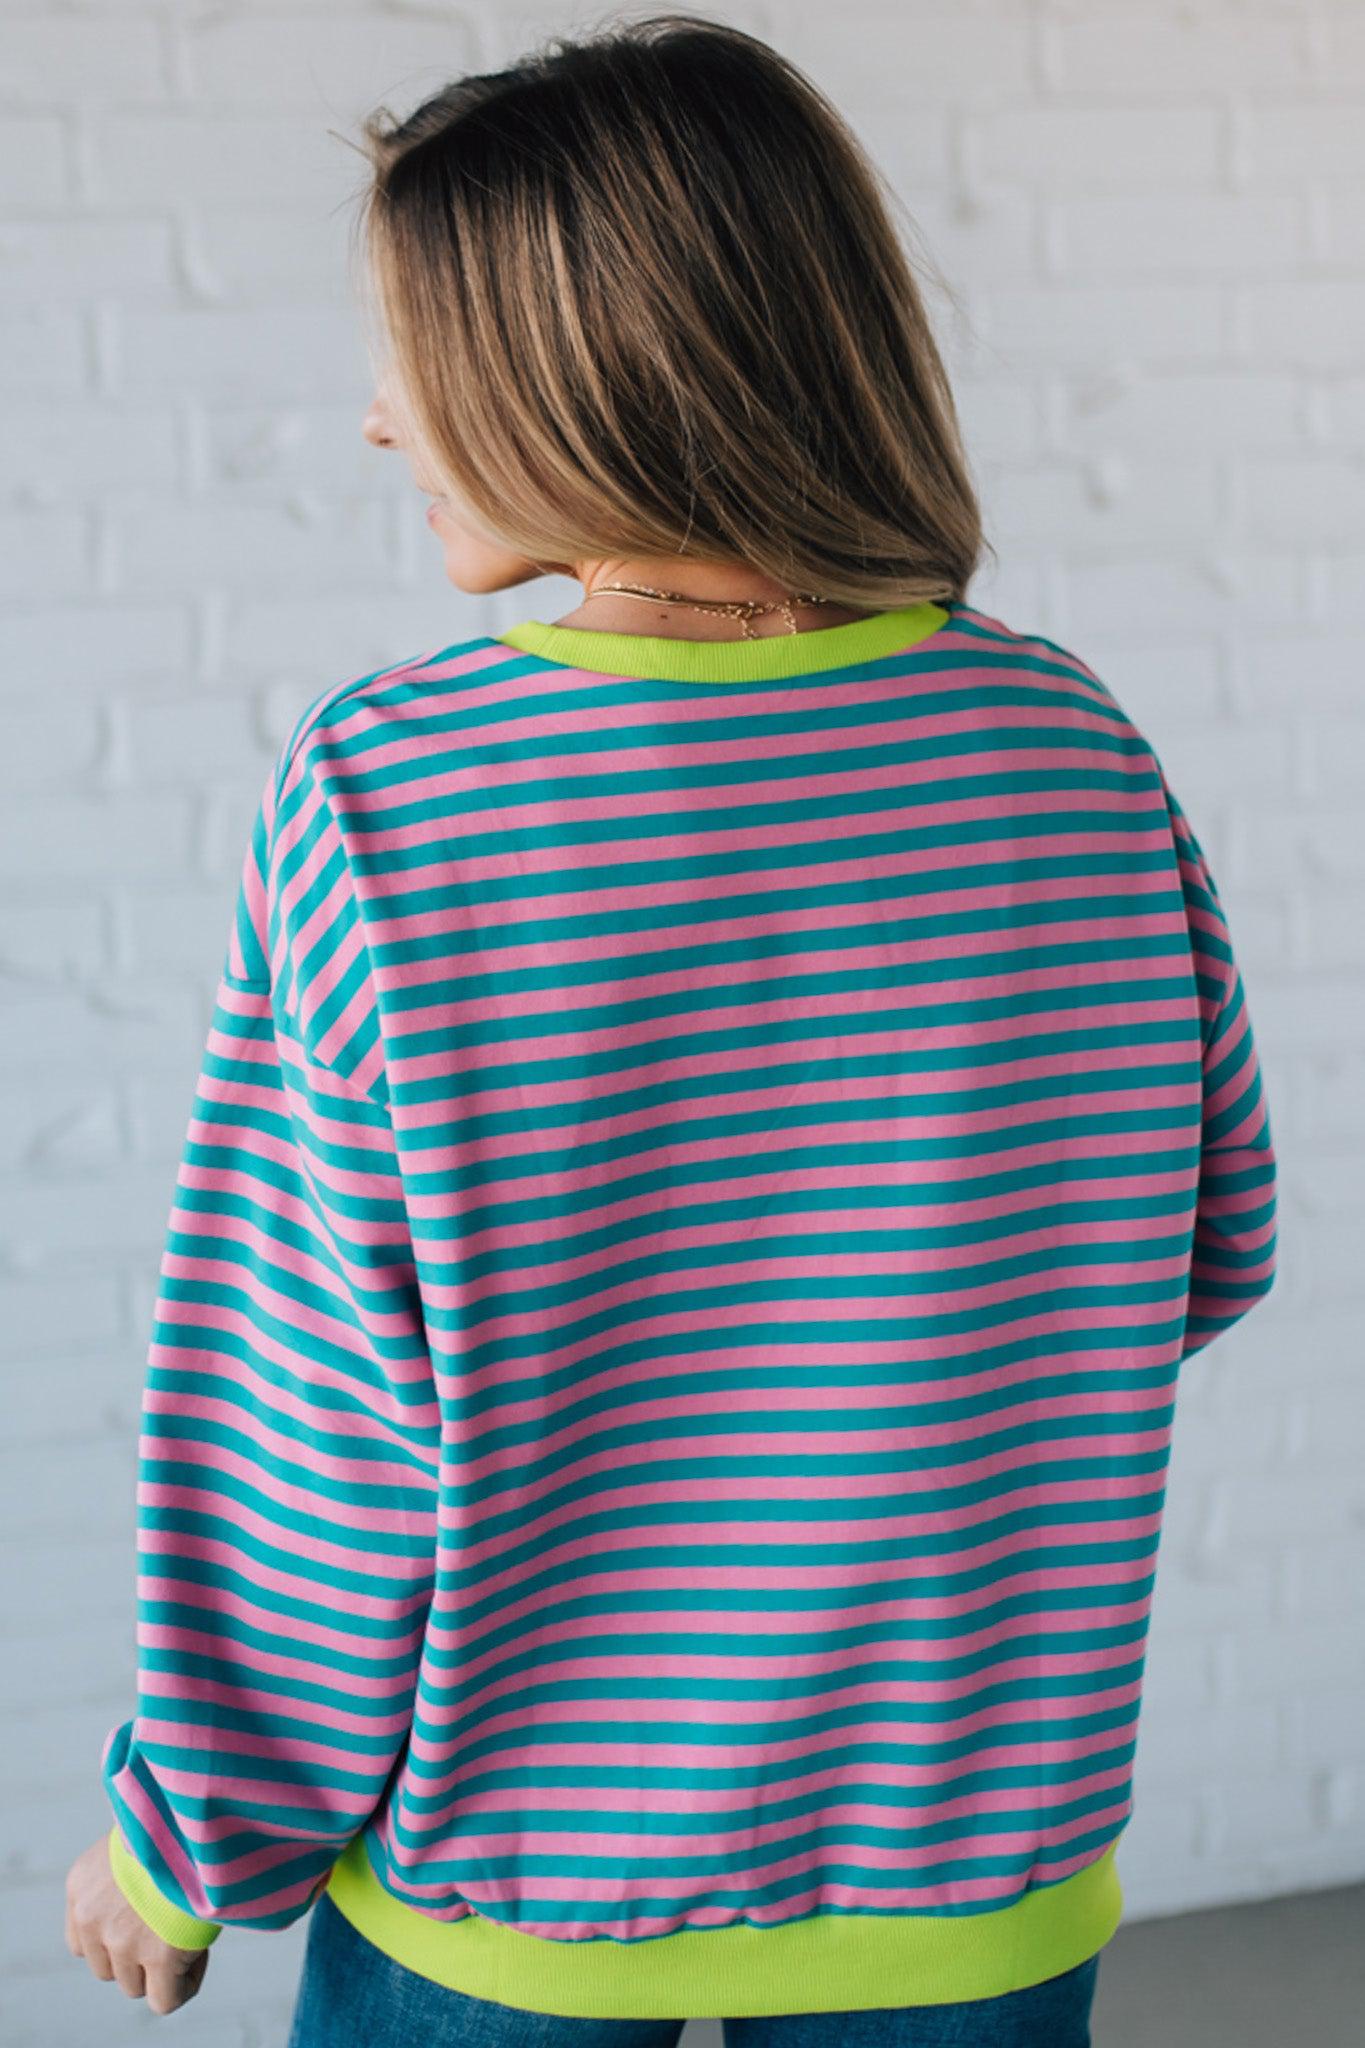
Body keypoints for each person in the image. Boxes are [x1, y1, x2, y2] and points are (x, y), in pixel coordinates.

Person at [66, 13, 1277, 2045]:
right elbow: (1198, 1246)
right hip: (978, 1879)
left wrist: (192, 1831)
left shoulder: (399, 792)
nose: (378, 422)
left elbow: (312, 1423)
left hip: (524, 1894)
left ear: (584, 375)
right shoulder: (1068, 754)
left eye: (412, 356)